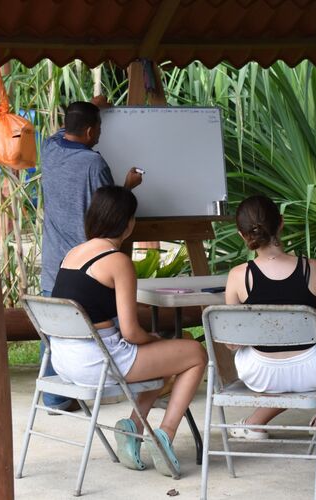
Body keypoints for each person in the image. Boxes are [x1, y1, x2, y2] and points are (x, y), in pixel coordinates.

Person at [51, 185, 206, 476]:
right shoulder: (116, 261)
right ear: (128, 222)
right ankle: (165, 436)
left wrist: (151, 345)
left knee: (163, 360)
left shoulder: (72, 254)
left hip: (63, 360)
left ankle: (133, 428)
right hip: (97, 361)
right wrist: (153, 339)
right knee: (195, 353)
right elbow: (132, 332)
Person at [222, 195, 316, 439]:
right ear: (281, 223)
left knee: (249, 341)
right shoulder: (313, 269)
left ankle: (253, 423)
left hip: (261, 374)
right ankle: (257, 421)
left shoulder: (238, 276)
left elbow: (232, 342)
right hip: (312, 371)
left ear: (242, 235)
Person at [39, 97, 143, 412]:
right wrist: (128, 186)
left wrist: (86, 107)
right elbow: (108, 211)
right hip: (91, 269)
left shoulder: (49, 149)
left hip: (55, 268)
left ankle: (55, 398)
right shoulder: (93, 164)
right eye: (97, 128)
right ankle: (108, 386)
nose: (99, 135)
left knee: (60, 334)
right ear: (87, 131)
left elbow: (62, 132)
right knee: (103, 335)